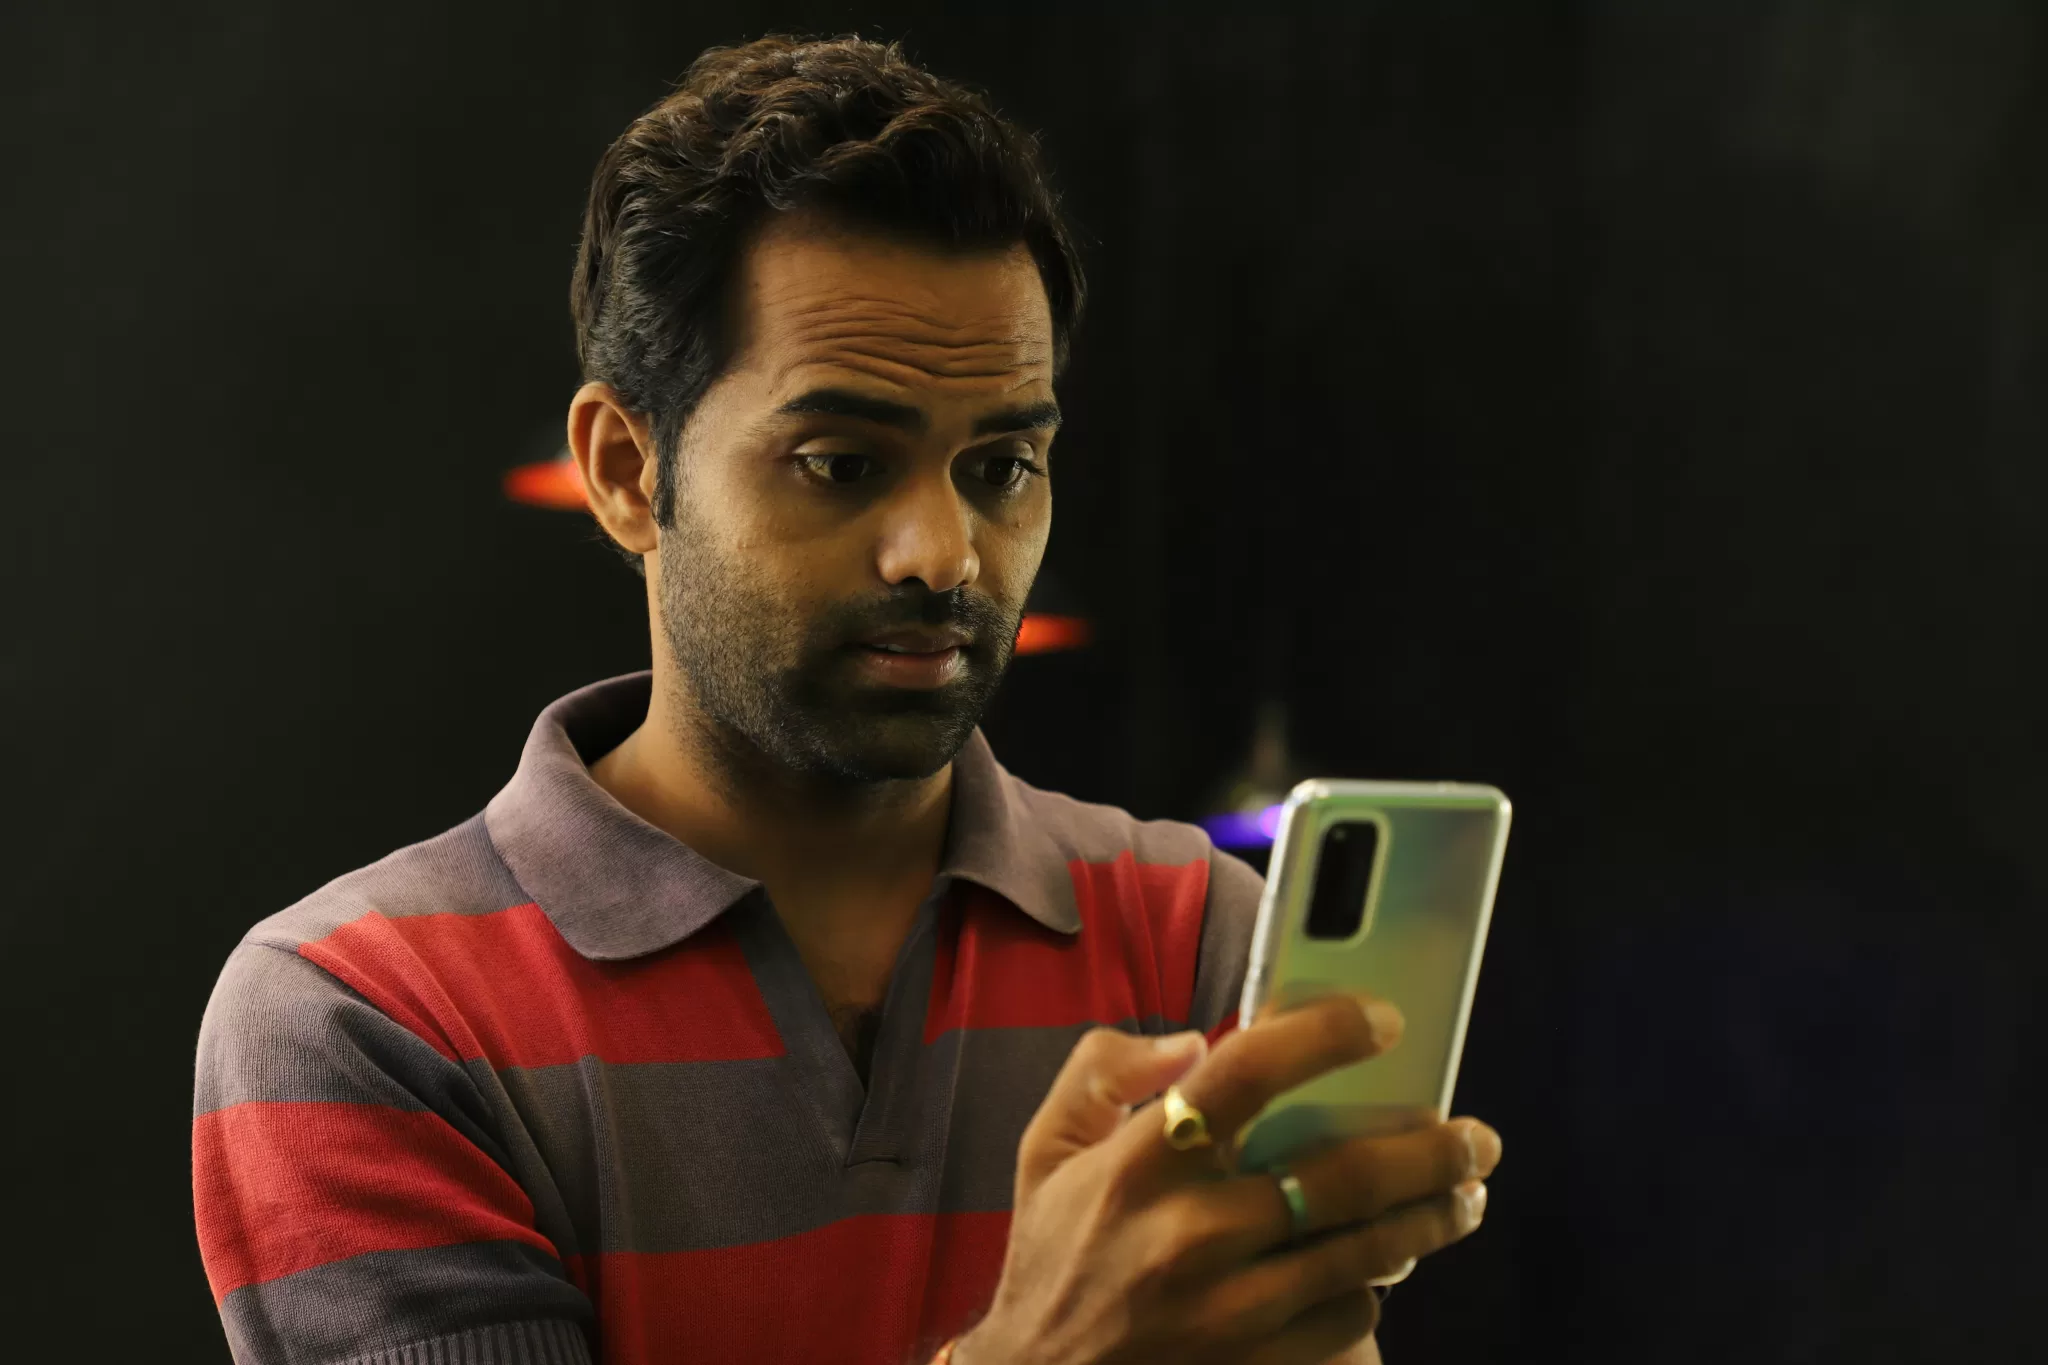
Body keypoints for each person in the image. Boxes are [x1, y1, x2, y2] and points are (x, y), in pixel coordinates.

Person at [191, 35, 1501, 1365]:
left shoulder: (1197, 942)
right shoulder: (363, 1018)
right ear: (627, 471)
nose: (943, 554)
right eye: (840, 462)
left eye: (1003, 466)